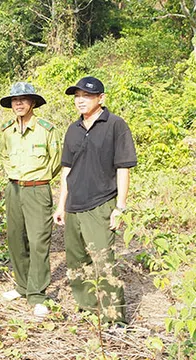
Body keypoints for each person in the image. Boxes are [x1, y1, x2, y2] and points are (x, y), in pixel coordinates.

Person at [53, 76, 137, 323]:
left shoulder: (115, 125)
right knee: (76, 264)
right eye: (77, 96)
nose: (80, 101)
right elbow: (67, 169)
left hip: (101, 204)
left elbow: (123, 167)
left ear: (101, 98)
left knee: (104, 264)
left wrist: (120, 207)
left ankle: (115, 319)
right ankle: (89, 309)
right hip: (74, 206)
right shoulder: (73, 129)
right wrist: (61, 204)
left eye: (87, 96)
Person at [0, 82, 61, 319]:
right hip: (14, 188)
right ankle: (22, 286)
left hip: (37, 189)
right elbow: (5, 155)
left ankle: (37, 294)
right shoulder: (7, 130)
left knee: (38, 242)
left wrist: (38, 178)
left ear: (33, 103)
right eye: (15, 100)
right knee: (16, 239)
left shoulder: (46, 130)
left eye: (24, 99)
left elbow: (56, 161)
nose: (19, 104)